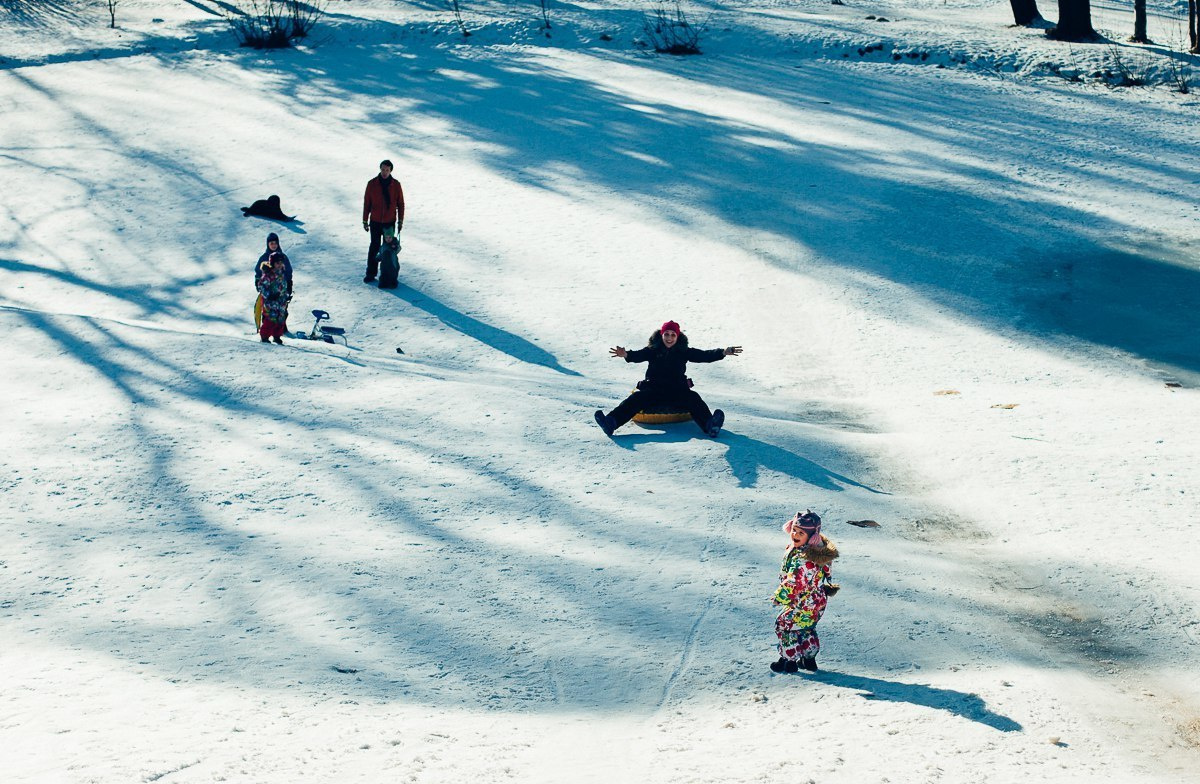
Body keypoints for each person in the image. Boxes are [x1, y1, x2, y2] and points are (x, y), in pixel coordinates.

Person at [593, 320, 741, 437]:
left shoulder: (684, 351)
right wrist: (626, 355)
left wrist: (722, 352)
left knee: (694, 399)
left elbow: (703, 355)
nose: (669, 338)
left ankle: (710, 425)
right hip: (654, 391)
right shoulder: (653, 350)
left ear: (677, 337)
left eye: (673, 335)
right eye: (667, 334)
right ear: (661, 335)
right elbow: (638, 355)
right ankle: (611, 422)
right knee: (635, 400)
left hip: (677, 391)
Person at [771, 510, 839, 674]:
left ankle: (789, 660)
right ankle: (809, 659)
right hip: (814, 601)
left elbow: (795, 581)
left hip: (802, 601)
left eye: (801, 532)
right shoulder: (812, 551)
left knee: (785, 626)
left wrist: (780, 596)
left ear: (811, 536)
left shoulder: (805, 559)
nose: (795, 534)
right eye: (794, 529)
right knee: (806, 628)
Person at [362, 159, 405, 284]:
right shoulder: (372, 184)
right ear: (380, 169)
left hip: (389, 223)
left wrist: (400, 221)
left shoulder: (396, 185)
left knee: (388, 249)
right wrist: (365, 220)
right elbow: (367, 204)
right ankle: (371, 273)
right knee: (374, 247)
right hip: (375, 221)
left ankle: (388, 274)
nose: (384, 172)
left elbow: (400, 204)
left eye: (387, 170)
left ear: (391, 170)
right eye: (383, 169)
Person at [254, 233, 292, 331]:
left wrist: (289, 285)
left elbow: (288, 272)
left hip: (280, 288)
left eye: (275, 243)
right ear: (268, 244)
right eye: (271, 243)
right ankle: (266, 329)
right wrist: (258, 282)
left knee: (282, 308)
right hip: (268, 289)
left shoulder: (283, 257)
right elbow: (258, 272)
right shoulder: (264, 257)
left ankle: (281, 328)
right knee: (268, 310)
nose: (273, 245)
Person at [256, 253, 290, 344]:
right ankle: (264, 336)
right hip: (271, 302)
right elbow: (262, 287)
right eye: (277, 263)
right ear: (273, 264)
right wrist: (269, 295)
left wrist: (286, 295)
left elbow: (283, 286)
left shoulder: (281, 274)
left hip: (281, 301)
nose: (280, 265)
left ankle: (277, 336)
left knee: (280, 319)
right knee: (271, 319)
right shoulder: (268, 275)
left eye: (281, 263)